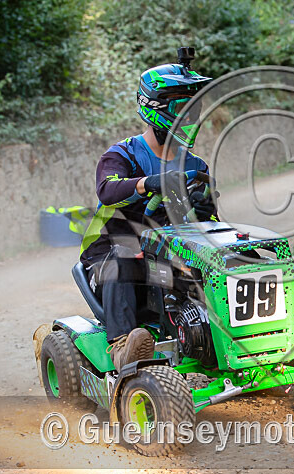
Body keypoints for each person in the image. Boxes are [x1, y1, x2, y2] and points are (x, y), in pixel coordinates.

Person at [79, 52, 216, 370]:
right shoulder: (121, 155)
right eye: (181, 107)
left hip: (163, 253)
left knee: (227, 253)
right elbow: (108, 191)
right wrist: (150, 183)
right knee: (126, 253)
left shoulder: (194, 166)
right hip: (109, 253)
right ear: (156, 108)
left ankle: (266, 330)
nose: (189, 115)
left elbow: (210, 219)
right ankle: (122, 344)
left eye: (192, 108)